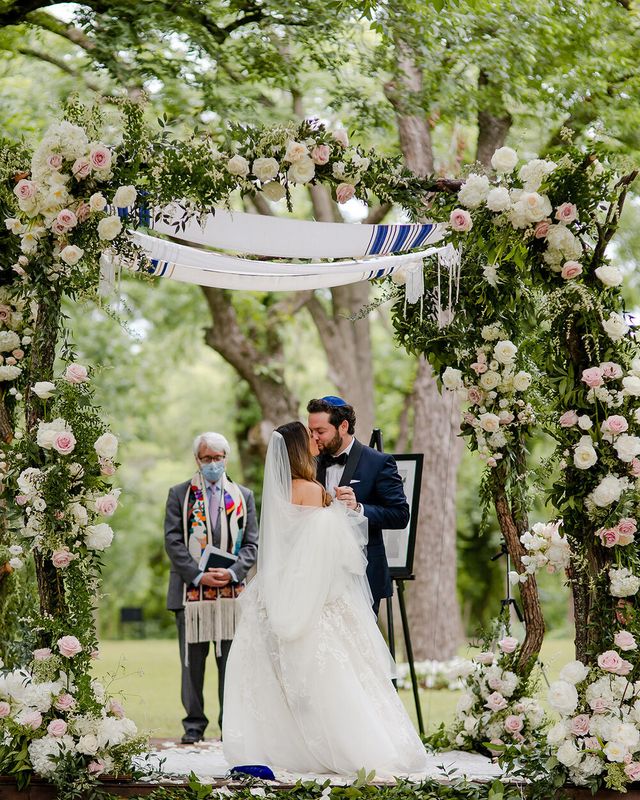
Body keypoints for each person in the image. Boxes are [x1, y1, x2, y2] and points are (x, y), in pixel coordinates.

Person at [222, 422, 427, 775]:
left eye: (319, 432)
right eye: (310, 436)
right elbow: (332, 555)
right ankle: (353, 748)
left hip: (278, 591)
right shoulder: (313, 491)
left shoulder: (280, 491)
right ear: (301, 448)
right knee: (336, 678)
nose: (316, 440)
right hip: (318, 597)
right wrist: (340, 512)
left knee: (288, 680)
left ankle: (290, 745)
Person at [164, 431, 258, 744]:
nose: (214, 464)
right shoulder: (179, 494)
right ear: (197, 460)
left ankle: (229, 725)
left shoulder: (243, 495)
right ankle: (193, 727)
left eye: (219, 458)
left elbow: (252, 544)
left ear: (226, 459)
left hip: (231, 596)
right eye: (207, 458)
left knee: (231, 664)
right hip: (190, 594)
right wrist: (197, 575)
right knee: (192, 664)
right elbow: (173, 541)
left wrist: (232, 573)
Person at [307, 396, 409, 615]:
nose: (314, 437)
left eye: (320, 431)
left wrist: (359, 509)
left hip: (362, 574)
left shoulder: (379, 462)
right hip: (317, 574)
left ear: (343, 426)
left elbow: (400, 515)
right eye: (311, 431)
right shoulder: (310, 462)